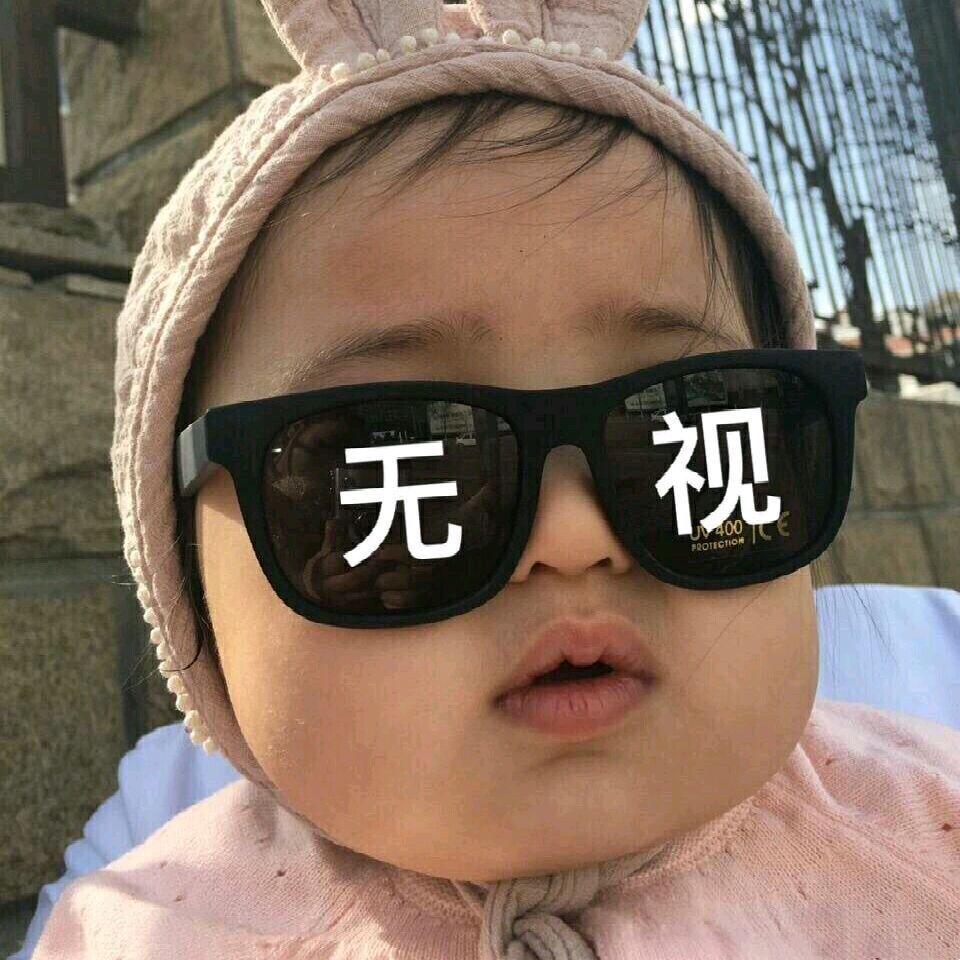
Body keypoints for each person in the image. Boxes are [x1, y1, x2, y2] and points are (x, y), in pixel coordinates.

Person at [30, 2, 960, 958]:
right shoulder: (140, 934)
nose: (573, 536)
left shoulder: (929, 834)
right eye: (401, 476)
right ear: (190, 590)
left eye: (686, 439)